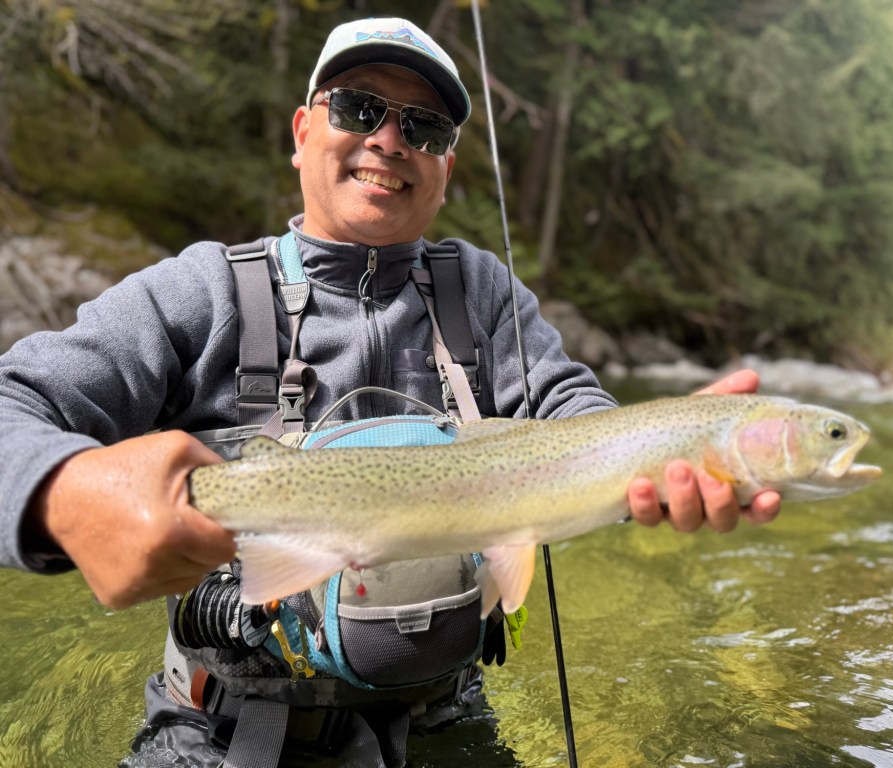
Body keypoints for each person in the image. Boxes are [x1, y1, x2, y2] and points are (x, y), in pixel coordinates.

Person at [0, 16, 781, 767]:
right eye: (358, 108)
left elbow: (574, 411)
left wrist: (669, 445)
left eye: (424, 127)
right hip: (225, 735)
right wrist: (62, 493)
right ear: (303, 132)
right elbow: (14, 404)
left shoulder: (482, 292)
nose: (388, 139)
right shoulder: (202, 291)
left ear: (446, 169)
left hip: (447, 721)